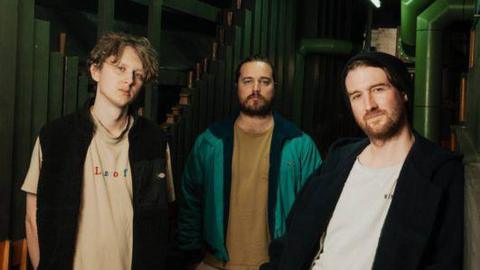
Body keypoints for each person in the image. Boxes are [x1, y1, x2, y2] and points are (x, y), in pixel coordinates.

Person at [261, 51, 464, 270]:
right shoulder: (337, 161)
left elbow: (446, 260)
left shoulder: (440, 172)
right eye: (356, 96)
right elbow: (290, 241)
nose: (369, 105)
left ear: (403, 92)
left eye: (378, 89)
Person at [22, 32, 175, 270]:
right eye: (120, 68)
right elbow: (32, 220)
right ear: (95, 71)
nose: (129, 80)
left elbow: (162, 221)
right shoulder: (55, 136)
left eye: (138, 74)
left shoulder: (154, 141)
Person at [178, 55, 322, 269]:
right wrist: (193, 259)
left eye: (264, 81)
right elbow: (190, 202)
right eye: (248, 81)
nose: (256, 88)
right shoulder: (210, 142)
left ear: (274, 87)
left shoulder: (300, 144)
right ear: (237, 86)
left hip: (277, 265)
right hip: (216, 264)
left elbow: (316, 208)